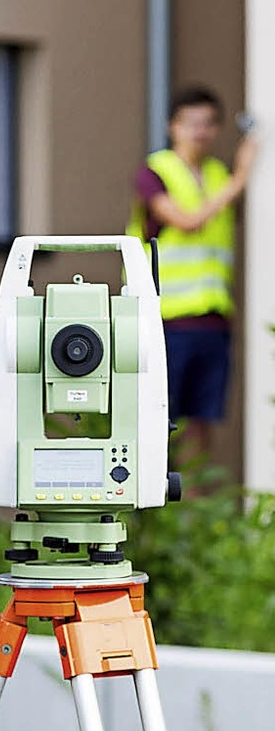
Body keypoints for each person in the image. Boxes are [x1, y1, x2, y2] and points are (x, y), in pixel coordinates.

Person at [126, 85, 258, 469]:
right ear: (173, 126)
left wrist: (233, 180)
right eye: (191, 123)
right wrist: (241, 178)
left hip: (213, 319)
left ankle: (196, 514)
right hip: (166, 318)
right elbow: (186, 220)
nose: (199, 132)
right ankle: (160, 507)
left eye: (207, 123)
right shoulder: (157, 171)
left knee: (203, 423)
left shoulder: (218, 175)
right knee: (162, 417)